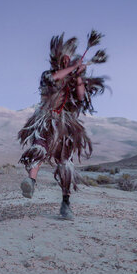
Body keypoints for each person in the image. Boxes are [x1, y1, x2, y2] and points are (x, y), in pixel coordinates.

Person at [17, 32, 107, 220]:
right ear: (57, 59)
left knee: (66, 164)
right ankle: (31, 181)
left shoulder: (73, 80)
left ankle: (66, 203)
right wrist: (73, 67)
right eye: (63, 58)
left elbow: (81, 96)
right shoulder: (48, 75)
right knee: (39, 149)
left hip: (65, 125)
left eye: (68, 59)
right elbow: (55, 78)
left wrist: (79, 75)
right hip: (46, 120)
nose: (66, 61)